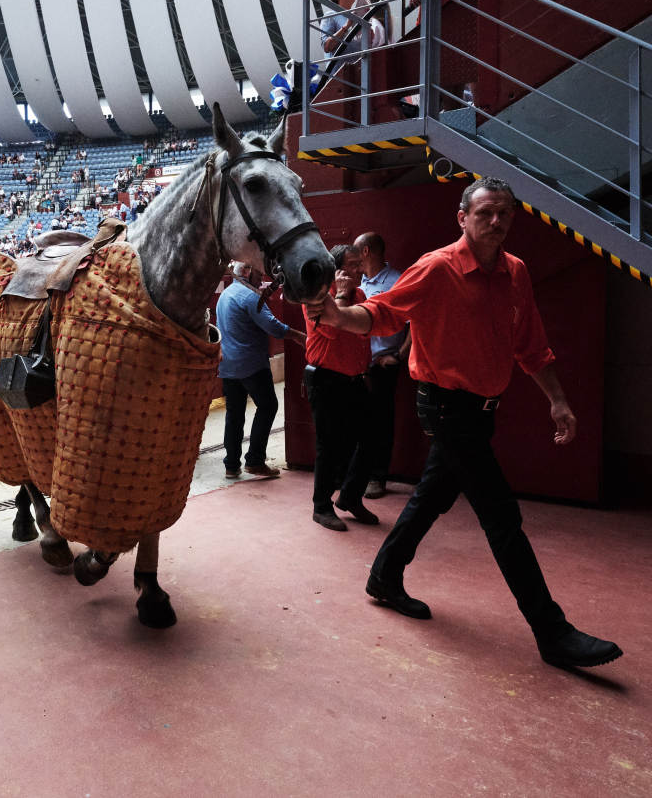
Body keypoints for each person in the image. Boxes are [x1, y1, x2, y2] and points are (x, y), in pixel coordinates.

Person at [305, 179, 621, 668]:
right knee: (501, 516)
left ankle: (385, 576)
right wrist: (338, 316)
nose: (497, 222)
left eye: (505, 214)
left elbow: (532, 347)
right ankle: (551, 631)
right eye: (486, 213)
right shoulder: (437, 268)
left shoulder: (515, 272)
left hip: (480, 411)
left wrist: (558, 400)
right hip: (446, 408)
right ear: (462, 218)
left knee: (433, 495)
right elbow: (384, 314)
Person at [302, 245, 380, 531]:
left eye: (361, 263)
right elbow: (335, 329)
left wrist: (366, 370)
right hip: (326, 380)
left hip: (354, 379)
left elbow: (362, 333)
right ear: (336, 270)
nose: (360, 269)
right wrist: (342, 294)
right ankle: (321, 507)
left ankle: (350, 497)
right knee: (329, 446)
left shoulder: (360, 294)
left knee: (371, 439)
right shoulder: (317, 297)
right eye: (353, 265)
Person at [216, 262, 305, 480]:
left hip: (228, 365)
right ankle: (255, 460)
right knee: (268, 406)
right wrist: (298, 335)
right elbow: (273, 327)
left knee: (234, 415)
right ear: (246, 272)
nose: (262, 277)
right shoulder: (250, 296)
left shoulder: (226, 295)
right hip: (251, 365)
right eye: (258, 272)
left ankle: (231, 465)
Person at [351, 232, 411, 499]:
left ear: (366, 251)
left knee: (382, 423)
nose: (352, 260)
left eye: (356, 253)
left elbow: (415, 323)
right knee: (361, 422)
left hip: (383, 366)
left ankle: (378, 477)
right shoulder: (360, 282)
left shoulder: (397, 282)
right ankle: (358, 475)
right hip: (360, 365)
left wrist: (398, 355)